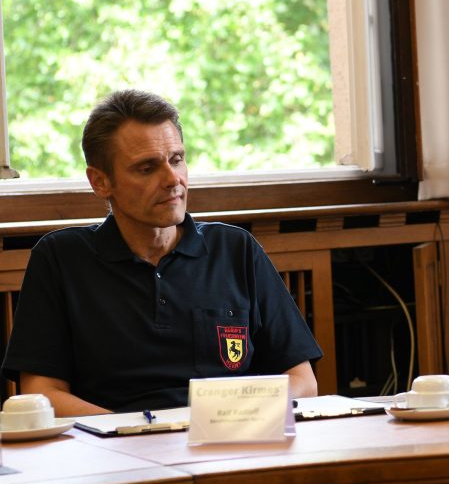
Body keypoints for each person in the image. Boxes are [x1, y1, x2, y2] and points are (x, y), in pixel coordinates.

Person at [2, 89, 323, 416]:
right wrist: (135, 434)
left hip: (228, 443)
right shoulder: (61, 258)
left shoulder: (236, 249)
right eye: (146, 168)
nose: (173, 180)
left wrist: (231, 420)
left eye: (177, 159)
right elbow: (41, 392)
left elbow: (302, 381)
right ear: (100, 182)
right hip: (116, 453)